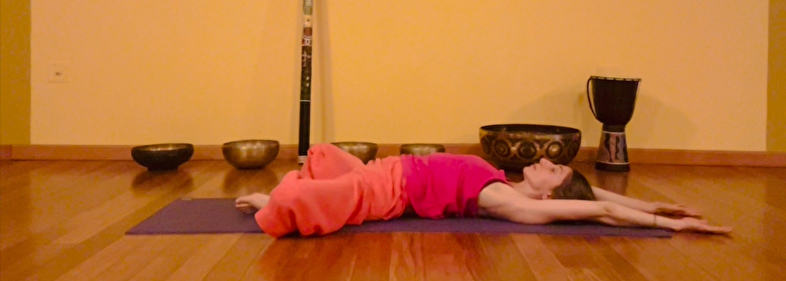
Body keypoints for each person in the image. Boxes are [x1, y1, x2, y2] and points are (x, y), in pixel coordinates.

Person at [235, 143, 732, 237]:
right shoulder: (507, 182)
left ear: (549, 198)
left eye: (553, 171)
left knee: (292, 198)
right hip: (379, 168)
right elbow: (601, 195)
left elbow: (599, 210)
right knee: (322, 154)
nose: (545, 162)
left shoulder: (515, 204)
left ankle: (272, 203)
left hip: (381, 193)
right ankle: (306, 191)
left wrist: (666, 225)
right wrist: (656, 202)